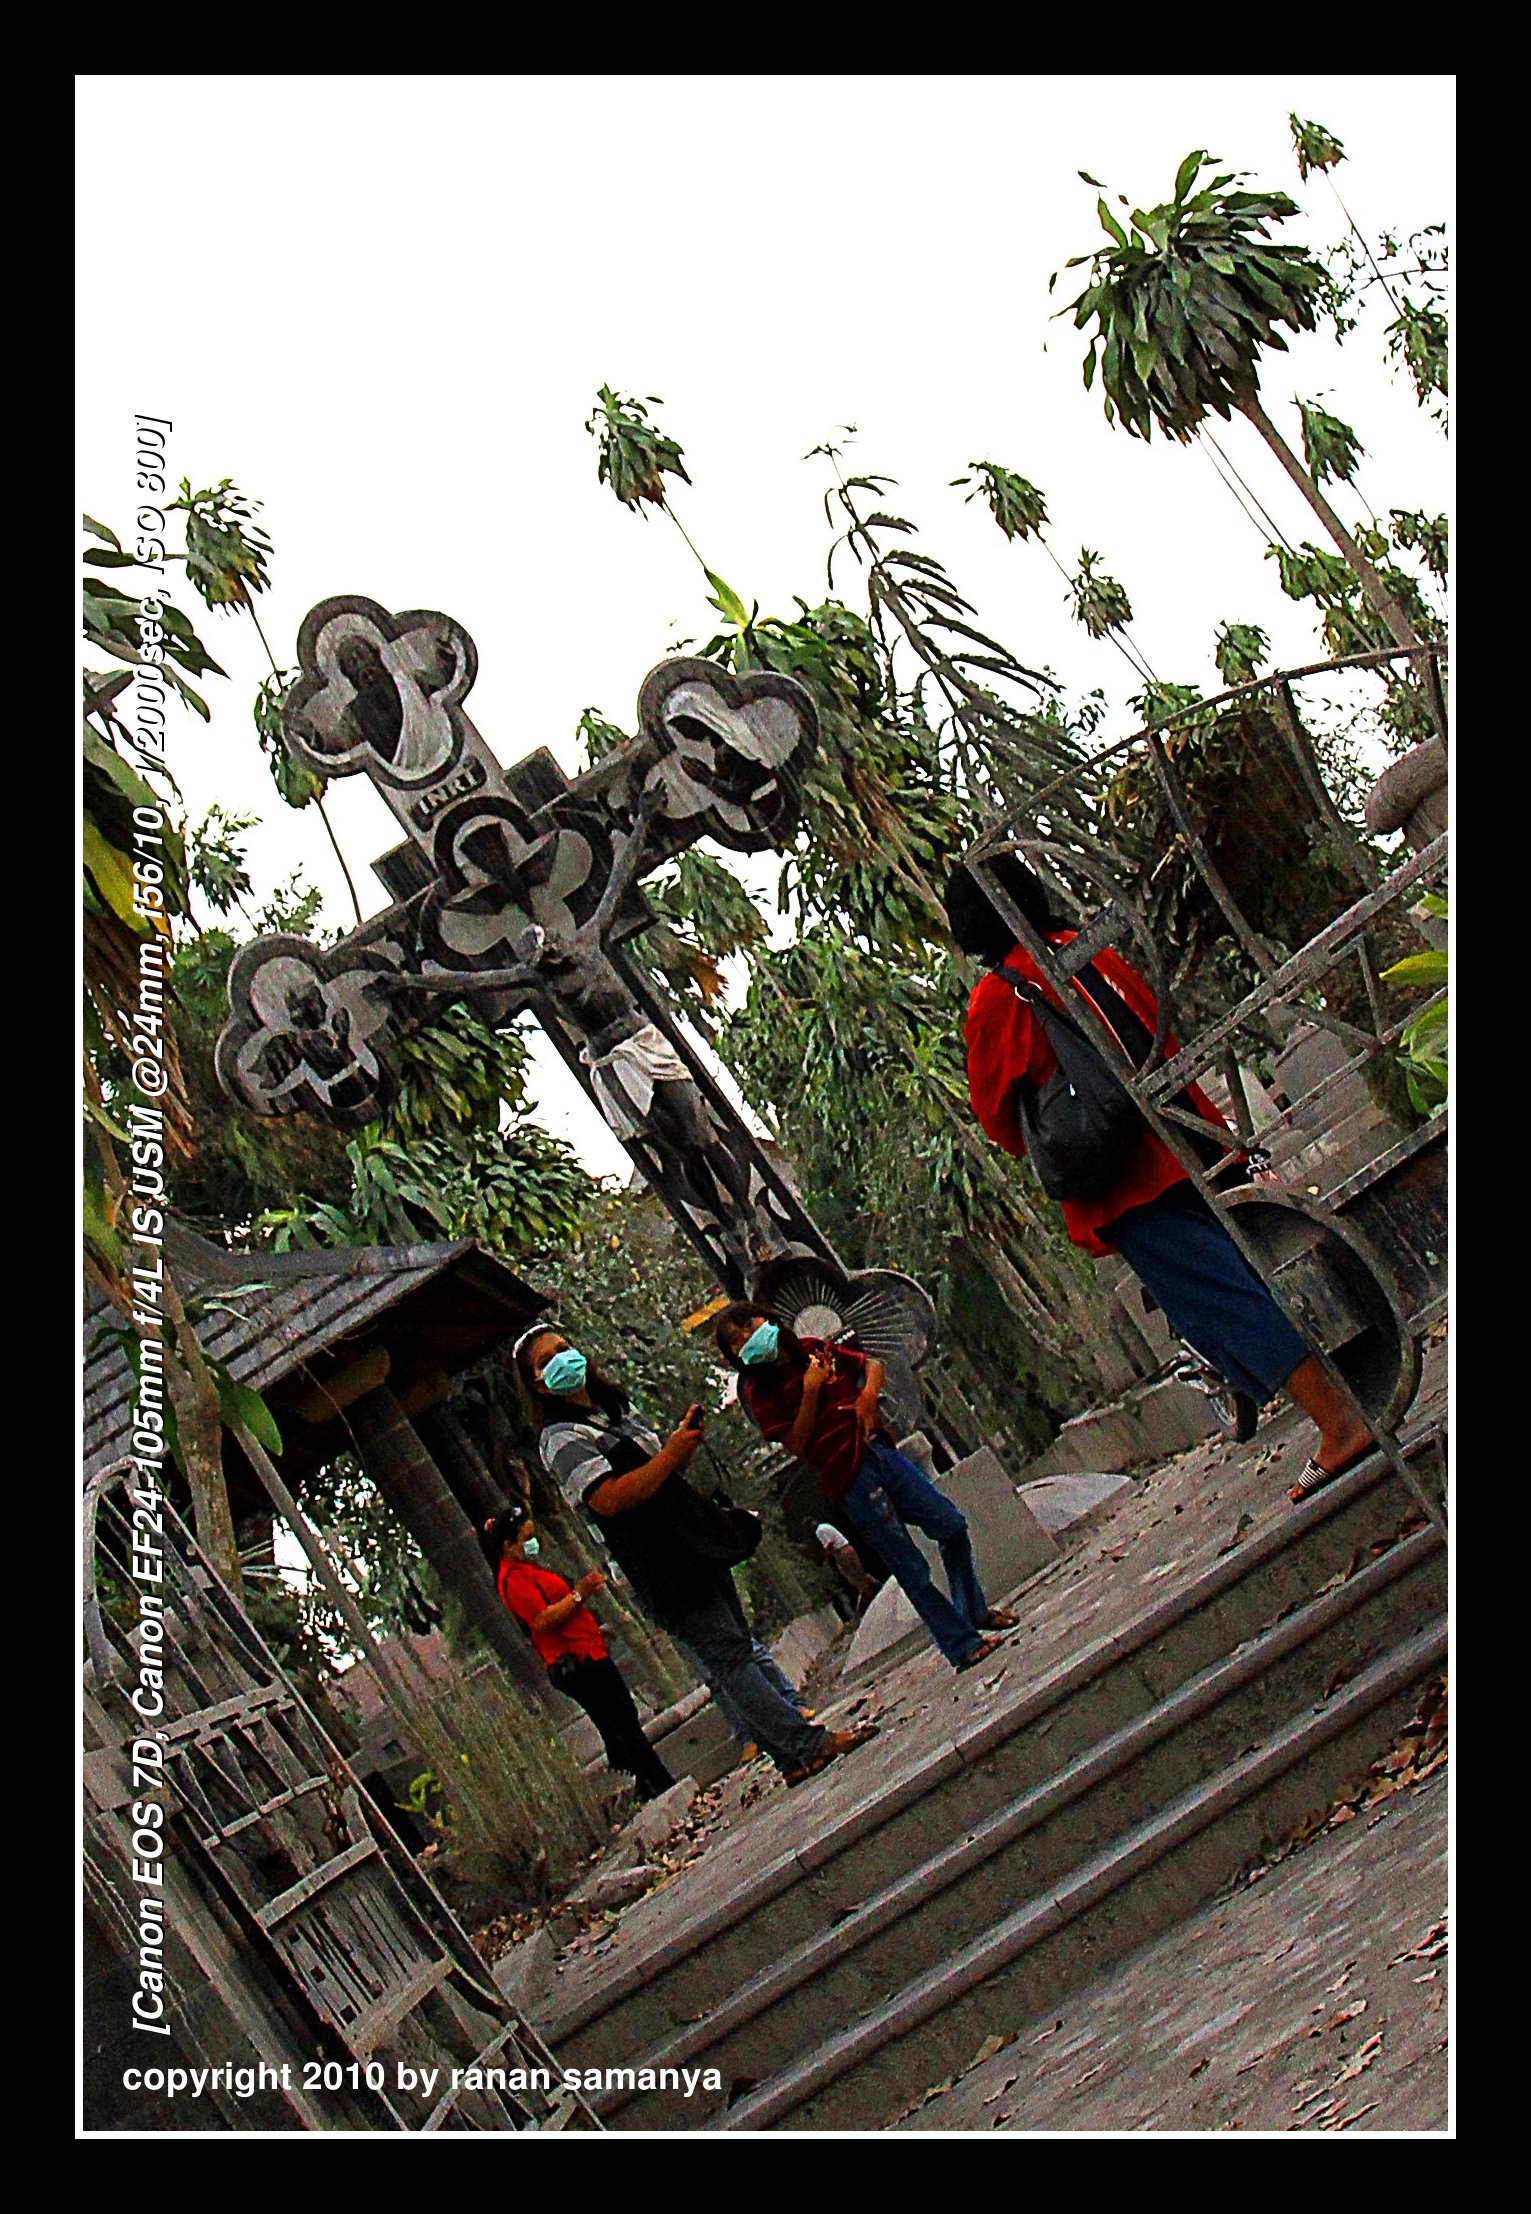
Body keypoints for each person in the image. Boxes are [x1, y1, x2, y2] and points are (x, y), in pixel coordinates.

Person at [944, 853, 1375, 1506]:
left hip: (1122, 1179)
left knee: (1218, 1296)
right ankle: (1337, 1395)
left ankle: (1340, 1423)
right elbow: (1154, 1023)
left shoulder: (998, 998)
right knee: (1241, 1272)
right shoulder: (1083, 947)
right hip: (1183, 1133)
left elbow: (998, 1117)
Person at [513, 1324, 877, 1788]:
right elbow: (607, 1498)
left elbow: (659, 1473)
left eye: (564, 1349)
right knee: (730, 1659)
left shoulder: (616, 1409)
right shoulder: (560, 1437)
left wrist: (680, 1447)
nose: (562, 1361)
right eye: (546, 1362)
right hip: (655, 1565)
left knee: (737, 1649)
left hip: (689, 1540)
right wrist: (669, 1455)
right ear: (538, 1385)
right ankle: (807, 1745)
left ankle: (793, 1758)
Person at [715, 1308, 1015, 1673]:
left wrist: (869, 1396)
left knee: (950, 1524)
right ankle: (962, 1645)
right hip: (848, 1478)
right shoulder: (759, 1393)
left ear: (765, 1320)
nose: (747, 1338)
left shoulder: (811, 1348)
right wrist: (810, 1390)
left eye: (748, 1326)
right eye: (736, 1341)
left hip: (879, 1453)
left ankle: (974, 1610)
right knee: (909, 1567)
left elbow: (869, 1365)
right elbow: (796, 1443)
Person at [480, 1508, 676, 1802]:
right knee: (621, 1719)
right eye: (526, 1538)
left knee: (620, 1720)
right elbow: (542, 1619)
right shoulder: (513, 1579)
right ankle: (657, 1781)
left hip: (587, 1649)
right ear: (508, 1545)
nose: (533, 1543)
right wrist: (578, 1594)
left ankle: (643, 1781)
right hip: (577, 1660)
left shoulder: (530, 1570)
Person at [815, 1521, 883, 1612]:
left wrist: (826, 1556)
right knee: (860, 1573)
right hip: (848, 1548)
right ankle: (879, 1586)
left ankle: (874, 1601)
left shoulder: (819, 1531)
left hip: (841, 1554)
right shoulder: (826, 1525)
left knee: (854, 1578)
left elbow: (830, 1543)